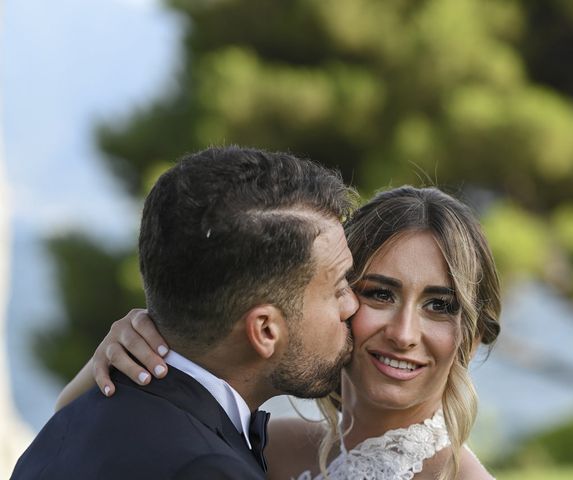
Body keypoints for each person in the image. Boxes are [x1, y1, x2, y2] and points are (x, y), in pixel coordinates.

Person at [57, 186, 501, 479]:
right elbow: (78, 443)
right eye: (381, 294)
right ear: (338, 298)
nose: (404, 333)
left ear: (471, 332)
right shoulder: (273, 447)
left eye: (439, 306)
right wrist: (113, 357)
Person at [11, 145, 360, 480]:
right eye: (338, 288)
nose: (353, 304)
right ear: (265, 331)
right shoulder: (208, 470)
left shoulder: (71, 422)